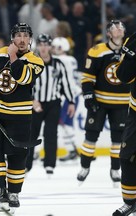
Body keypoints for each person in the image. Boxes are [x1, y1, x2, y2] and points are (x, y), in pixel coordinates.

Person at [0, 23, 44, 212]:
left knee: (17, 156)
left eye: (25, 36)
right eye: (18, 35)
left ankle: (13, 193)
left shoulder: (35, 60)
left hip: (20, 116)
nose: (22, 39)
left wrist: (12, 55)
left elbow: (22, 77)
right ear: (12, 37)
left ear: (30, 39)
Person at [77, 20, 130, 186]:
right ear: (108, 33)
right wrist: (88, 96)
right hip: (99, 101)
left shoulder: (130, 51)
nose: (119, 30)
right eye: (115, 28)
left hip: (122, 102)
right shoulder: (97, 50)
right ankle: (85, 166)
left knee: (118, 139)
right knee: (91, 136)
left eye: (121, 27)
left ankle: (115, 170)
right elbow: (87, 77)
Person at [25, 34, 75, 175]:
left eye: (46, 44)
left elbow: (66, 84)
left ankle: (49, 164)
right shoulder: (31, 63)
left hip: (53, 103)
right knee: (31, 134)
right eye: (41, 44)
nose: (44, 47)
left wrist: (71, 101)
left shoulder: (58, 64)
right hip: (35, 103)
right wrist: (32, 100)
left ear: (50, 47)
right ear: (37, 46)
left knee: (51, 133)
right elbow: (25, 84)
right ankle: (27, 165)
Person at [112, 32, 136, 215]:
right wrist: (131, 53)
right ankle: (130, 202)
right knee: (127, 156)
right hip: (135, 113)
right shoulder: (133, 38)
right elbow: (122, 75)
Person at [51, 37, 81, 162]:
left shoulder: (59, 60)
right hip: (75, 94)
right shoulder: (72, 59)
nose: (51, 49)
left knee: (63, 122)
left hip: (67, 96)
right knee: (66, 123)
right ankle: (72, 150)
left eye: (54, 47)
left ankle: (72, 149)